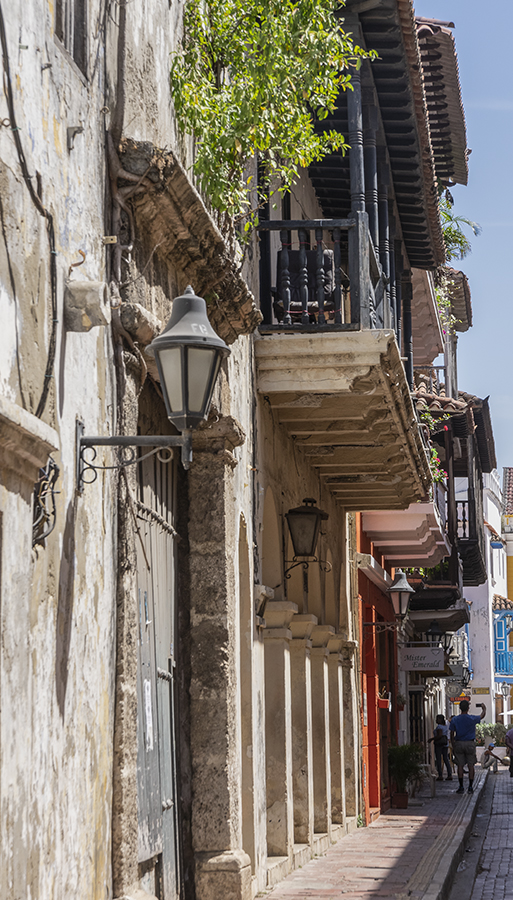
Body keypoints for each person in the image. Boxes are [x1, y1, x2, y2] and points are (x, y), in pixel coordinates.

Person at [449, 700, 486, 794]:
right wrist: (484, 708)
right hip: (470, 743)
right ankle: (470, 787)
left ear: (460, 708)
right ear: (468, 708)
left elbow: (452, 733)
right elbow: (481, 716)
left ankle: (461, 786)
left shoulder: (455, 719)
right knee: (471, 765)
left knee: (460, 766)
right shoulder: (472, 718)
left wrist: (453, 745)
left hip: (459, 743)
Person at [428, 714, 452, 781]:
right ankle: (449, 774)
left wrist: (431, 739)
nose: (436, 720)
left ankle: (440, 775)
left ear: (440, 720)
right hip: (445, 744)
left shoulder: (439, 727)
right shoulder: (445, 726)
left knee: (438, 759)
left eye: (437, 719)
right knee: (446, 759)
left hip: (439, 744)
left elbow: (439, 735)